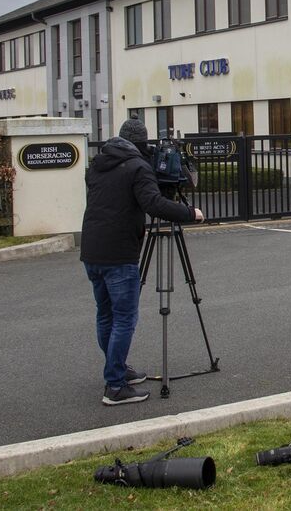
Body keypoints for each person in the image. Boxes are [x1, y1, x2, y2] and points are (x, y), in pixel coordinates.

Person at [81, 119, 204, 406]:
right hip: (119, 252)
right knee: (125, 318)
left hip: (92, 250)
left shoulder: (99, 163)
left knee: (106, 314)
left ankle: (118, 369)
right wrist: (189, 213)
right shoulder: (138, 167)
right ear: (140, 144)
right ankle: (114, 386)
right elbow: (153, 204)